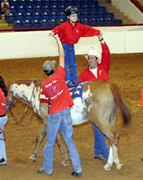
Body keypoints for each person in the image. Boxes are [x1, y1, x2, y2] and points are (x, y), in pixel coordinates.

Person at [38, 34, 82, 177]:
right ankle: (77, 168)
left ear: (45, 72)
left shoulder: (44, 85)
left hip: (54, 114)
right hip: (66, 111)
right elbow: (62, 56)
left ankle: (48, 169)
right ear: (53, 69)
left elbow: (48, 96)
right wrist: (58, 40)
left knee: (50, 142)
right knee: (69, 140)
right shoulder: (60, 75)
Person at [78, 33, 110, 161]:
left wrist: (102, 40)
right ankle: (107, 155)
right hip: (93, 106)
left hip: (106, 104)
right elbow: (79, 89)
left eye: (92, 58)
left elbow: (107, 54)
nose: (90, 60)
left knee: (99, 128)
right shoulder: (84, 75)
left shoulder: (104, 68)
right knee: (99, 127)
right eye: (89, 58)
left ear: (97, 59)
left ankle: (97, 152)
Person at [51, 6, 100, 87]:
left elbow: (88, 29)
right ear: (68, 17)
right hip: (64, 47)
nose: (75, 17)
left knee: (73, 64)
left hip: (71, 47)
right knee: (65, 65)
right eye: (73, 16)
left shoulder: (79, 26)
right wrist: (53, 32)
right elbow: (58, 29)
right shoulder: (64, 26)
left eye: (76, 15)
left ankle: (74, 80)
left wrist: (97, 32)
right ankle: (67, 81)